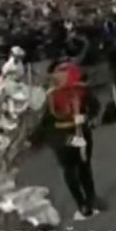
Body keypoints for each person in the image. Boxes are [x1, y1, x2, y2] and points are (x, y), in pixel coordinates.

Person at [47, 61, 101, 220]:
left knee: (85, 165)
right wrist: (65, 139)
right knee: (70, 169)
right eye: (60, 71)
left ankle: (91, 198)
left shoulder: (81, 90)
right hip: (62, 135)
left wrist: (87, 117)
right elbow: (45, 124)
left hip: (81, 131)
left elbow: (94, 106)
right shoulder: (49, 95)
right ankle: (81, 203)